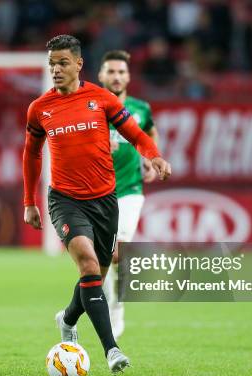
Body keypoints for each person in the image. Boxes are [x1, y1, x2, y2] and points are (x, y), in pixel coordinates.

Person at [22, 34, 171, 373]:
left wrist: (155, 156)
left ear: (78, 64)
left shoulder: (101, 99)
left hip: (105, 200)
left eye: (62, 63)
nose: (56, 70)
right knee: (89, 266)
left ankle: (68, 318)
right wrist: (30, 201)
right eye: (51, 64)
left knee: (97, 275)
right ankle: (112, 349)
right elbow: (31, 155)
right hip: (65, 200)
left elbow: (135, 133)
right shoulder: (40, 108)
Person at [98, 50, 159, 341]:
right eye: (111, 71)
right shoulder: (90, 108)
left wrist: (149, 157)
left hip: (131, 189)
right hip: (97, 191)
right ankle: (113, 302)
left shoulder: (140, 108)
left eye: (121, 72)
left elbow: (150, 132)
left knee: (118, 250)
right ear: (101, 76)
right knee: (103, 257)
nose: (117, 76)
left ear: (129, 76)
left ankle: (117, 307)